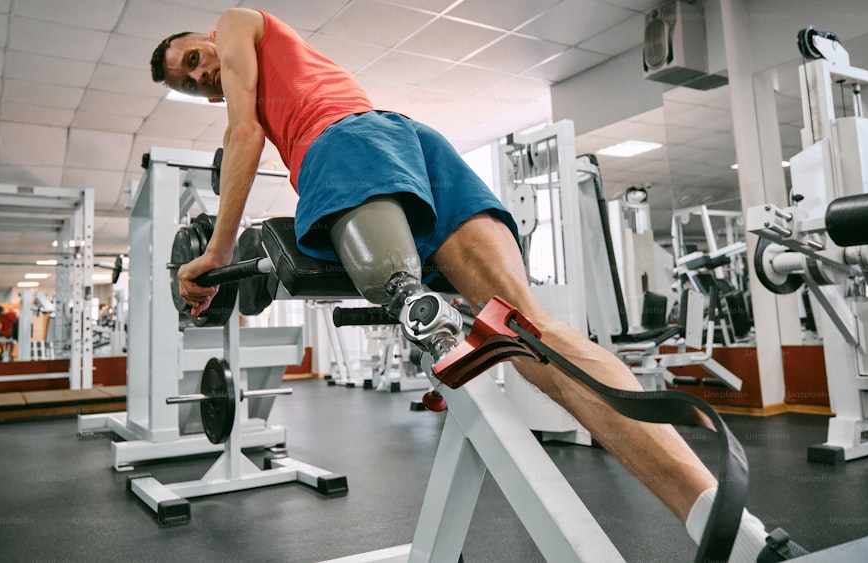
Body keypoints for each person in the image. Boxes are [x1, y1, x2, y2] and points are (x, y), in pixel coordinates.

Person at [150, 9, 799, 561]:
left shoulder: (237, 21)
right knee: (533, 337)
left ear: (203, 37)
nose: (201, 73)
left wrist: (211, 255)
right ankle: (735, 533)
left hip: (343, 142)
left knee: (423, 308)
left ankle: (412, 302)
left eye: (194, 58)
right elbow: (246, 123)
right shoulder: (253, 77)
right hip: (410, 141)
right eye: (189, 80)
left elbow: (244, 132)